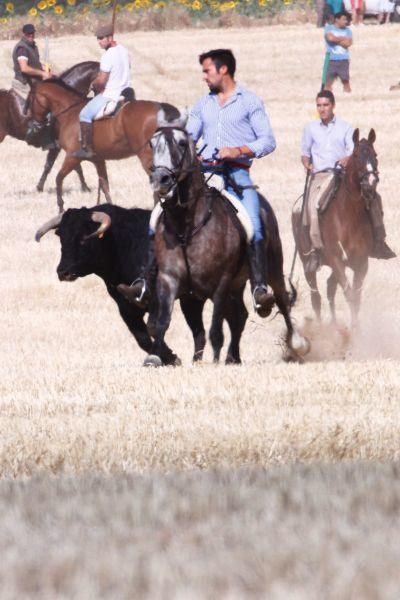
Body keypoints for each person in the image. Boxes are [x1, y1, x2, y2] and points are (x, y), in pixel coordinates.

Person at [301, 90, 395, 273]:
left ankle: (378, 241)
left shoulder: (345, 127)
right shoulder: (310, 129)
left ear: (333, 106)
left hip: (340, 174)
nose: (322, 109)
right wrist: (307, 164)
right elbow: (305, 154)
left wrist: (346, 159)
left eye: (325, 105)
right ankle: (316, 250)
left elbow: (354, 150)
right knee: (311, 207)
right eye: (319, 105)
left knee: (374, 198)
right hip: (320, 176)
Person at [73, 24, 131, 159]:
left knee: (84, 114)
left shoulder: (107, 56)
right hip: (127, 91)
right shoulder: (124, 50)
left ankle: (87, 149)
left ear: (110, 38)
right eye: (98, 39)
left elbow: (102, 81)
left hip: (111, 94)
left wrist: (94, 84)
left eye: (101, 38)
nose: (99, 42)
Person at [11, 23, 56, 148]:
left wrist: (46, 69)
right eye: (28, 33)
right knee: (37, 105)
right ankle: (32, 134)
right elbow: (24, 68)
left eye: (32, 33)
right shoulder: (22, 48)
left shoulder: (32, 46)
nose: (31, 35)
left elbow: (34, 63)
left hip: (33, 82)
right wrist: (42, 73)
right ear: (24, 34)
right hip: (23, 83)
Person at [324, 11, 353, 93]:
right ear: (337, 19)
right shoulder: (329, 28)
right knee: (328, 82)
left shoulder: (348, 30)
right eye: (344, 19)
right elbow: (330, 38)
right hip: (330, 59)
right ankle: (327, 95)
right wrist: (343, 39)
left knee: (345, 81)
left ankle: (347, 95)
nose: (346, 22)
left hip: (344, 59)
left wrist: (335, 39)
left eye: (346, 20)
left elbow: (348, 43)